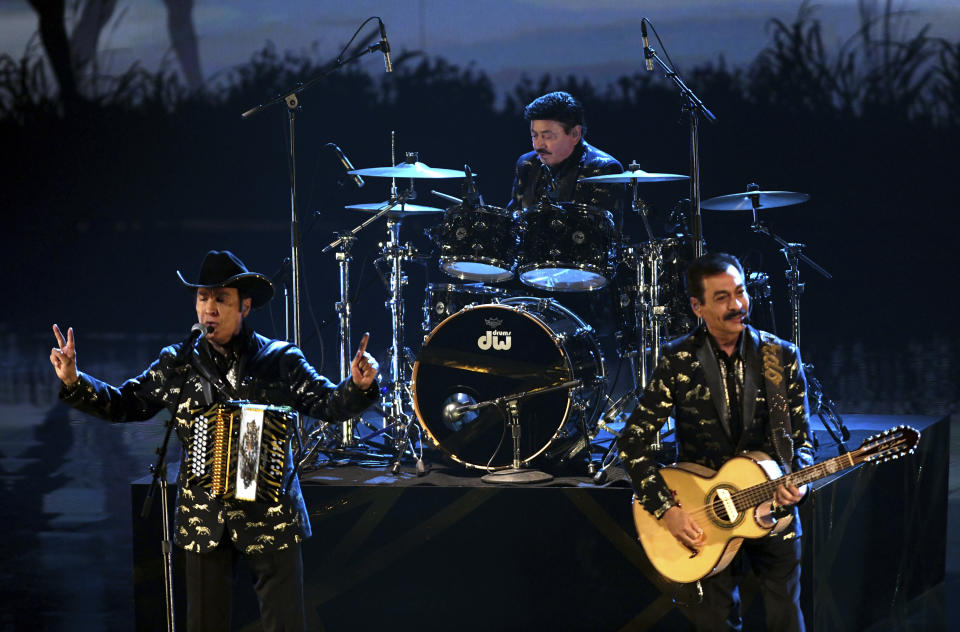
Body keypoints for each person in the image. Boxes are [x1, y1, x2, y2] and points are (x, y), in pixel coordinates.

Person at [49, 250, 380, 632]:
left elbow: (326, 403)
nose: (209, 309)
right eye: (202, 298)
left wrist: (358, 385)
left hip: (271, 512)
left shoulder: (280, 360)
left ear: (245, 306)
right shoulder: (178, 362)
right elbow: (127, 403)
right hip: (204, 515)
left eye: (221, 299)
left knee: (285, 622)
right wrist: (75, 380)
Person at [618, 252, 816, 631]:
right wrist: (666, 510)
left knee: (785, 619)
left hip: (774, 514)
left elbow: (801, 441)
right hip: (704, 518)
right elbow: (633, 443)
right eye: (723, 297)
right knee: (713, 624)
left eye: (740, 292)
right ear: (698, 306)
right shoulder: (678, 360)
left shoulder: (780, 357)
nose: (738, 305)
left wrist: (799, 482)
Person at [506, 90, 623, 213]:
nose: (538, 145)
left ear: (575, 134)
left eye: (547, 136)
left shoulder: (604, 169)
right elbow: (513, 216)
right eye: (534, 136)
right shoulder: (526, 164)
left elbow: (604, 229)